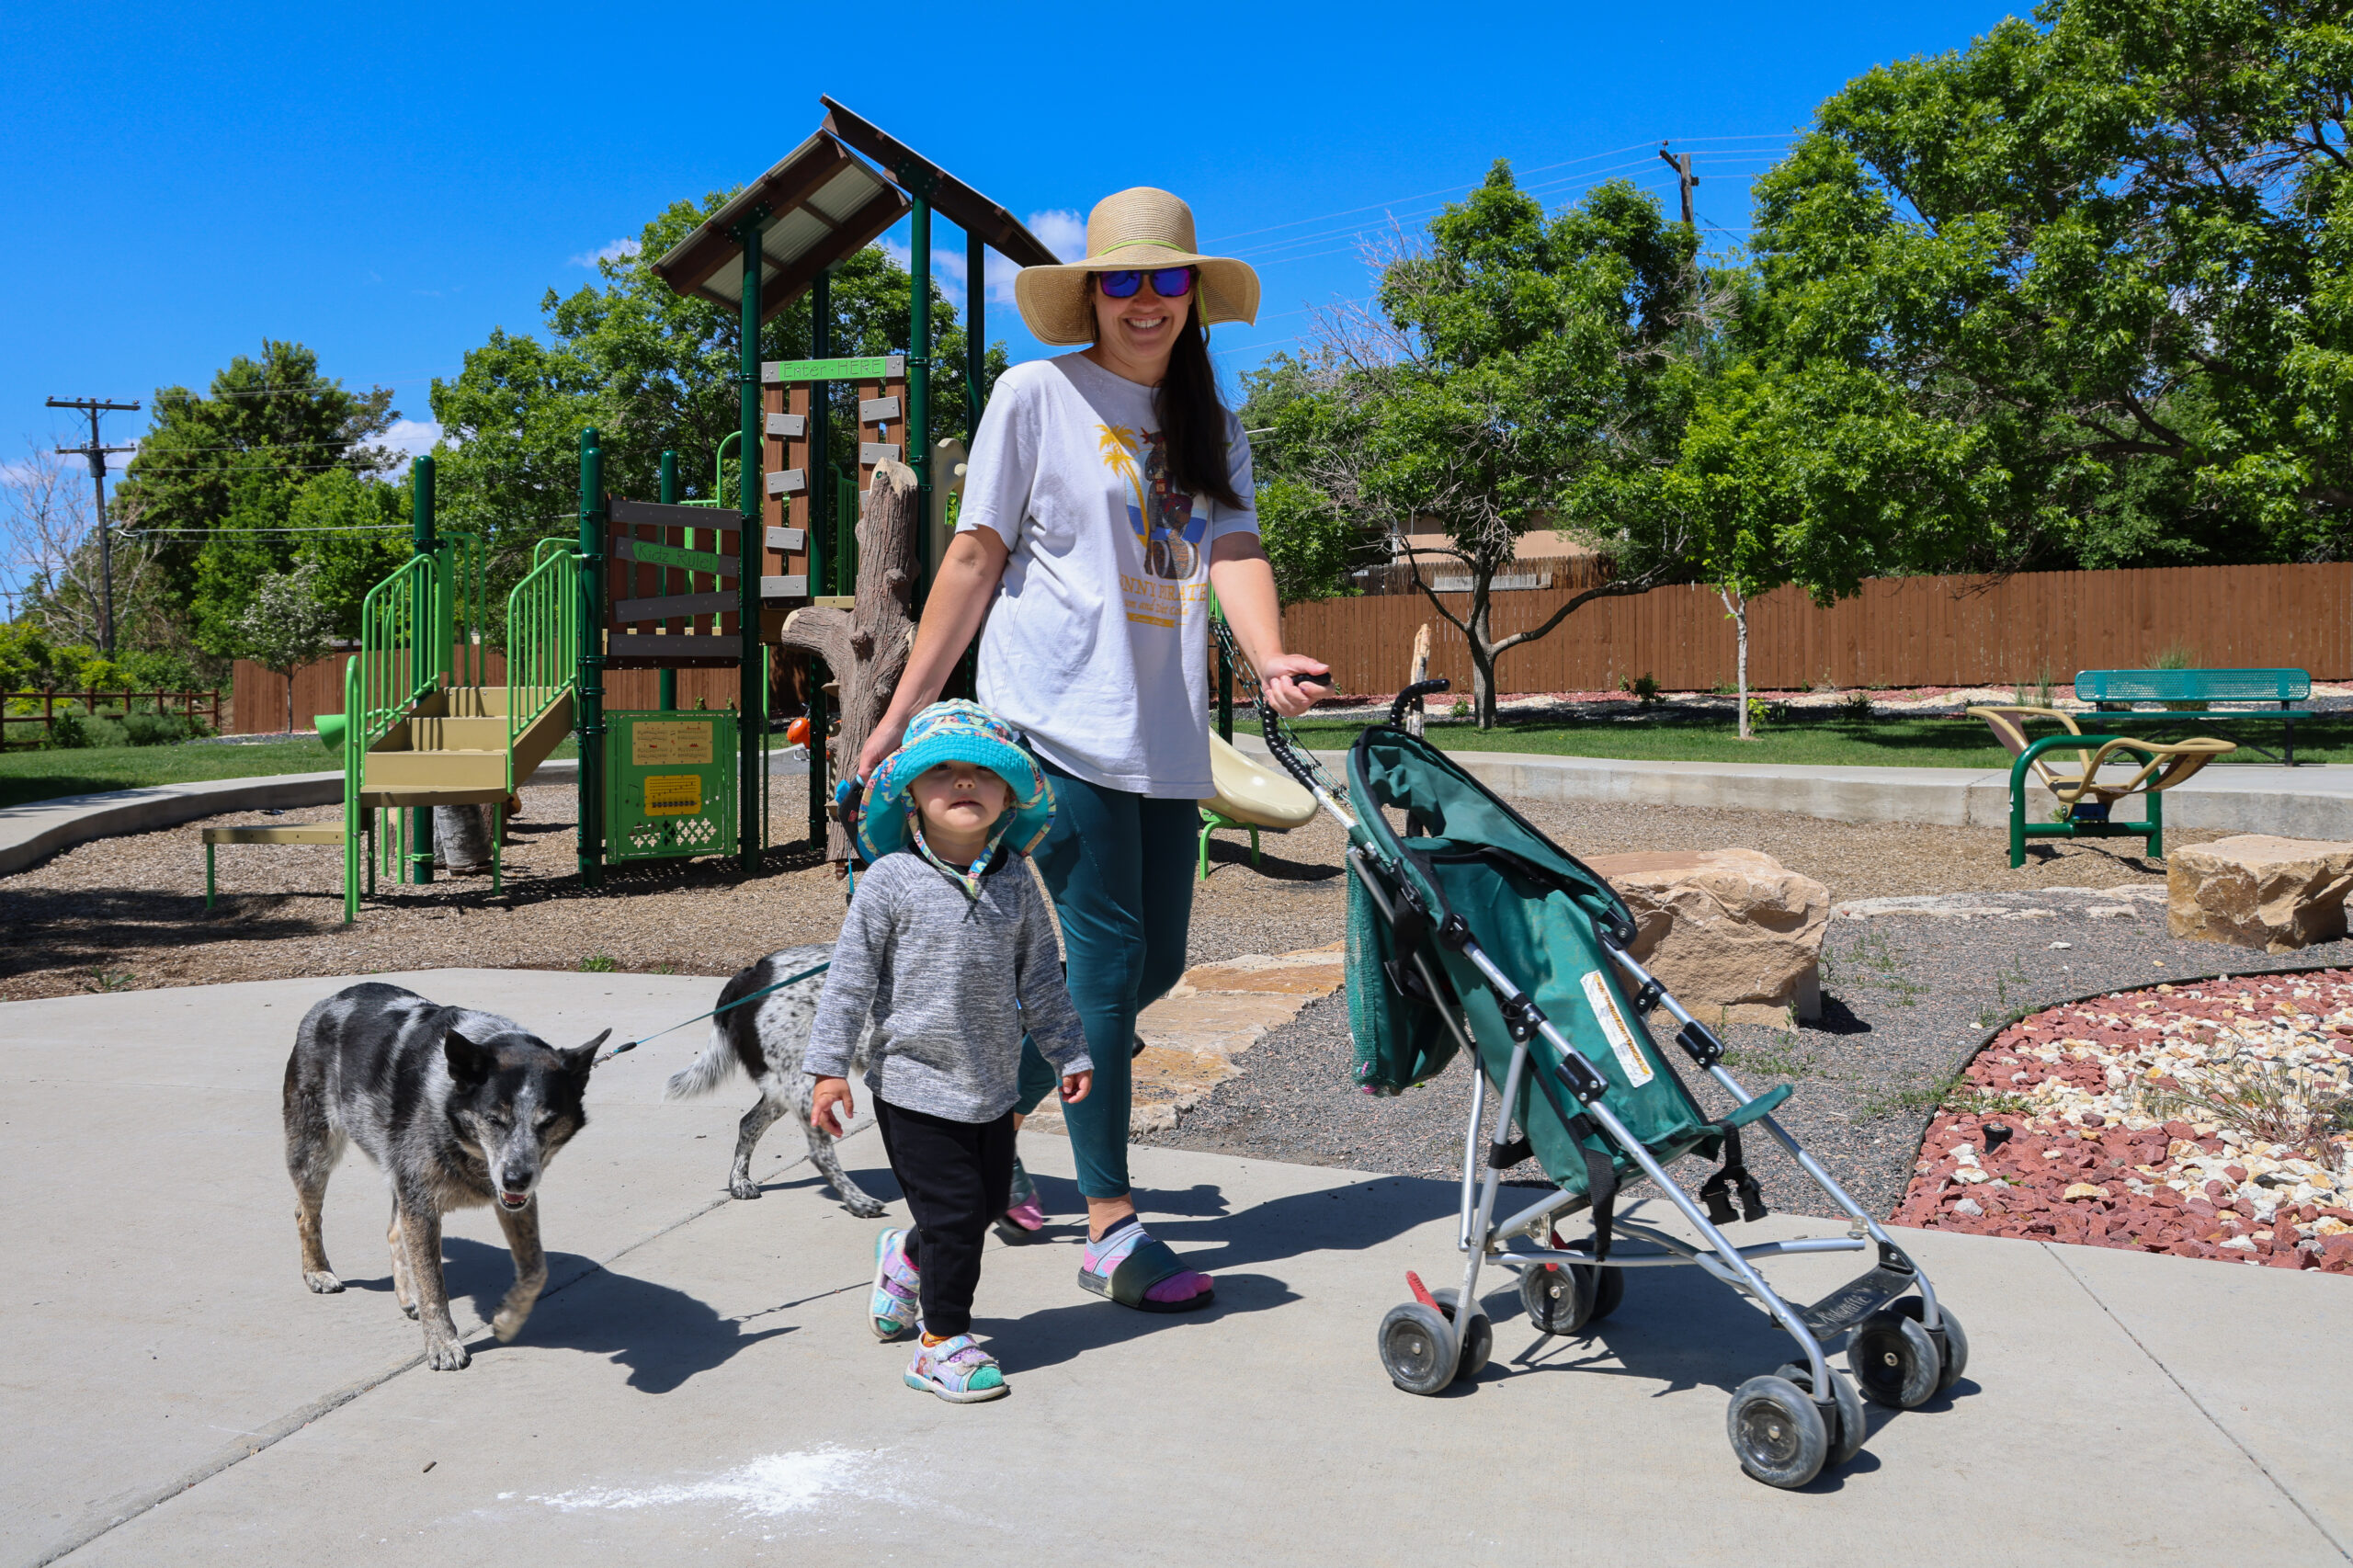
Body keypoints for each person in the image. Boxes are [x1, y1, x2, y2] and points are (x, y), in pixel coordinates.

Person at [858, 187, 1329, 1313]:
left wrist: (1267, 660)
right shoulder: (1036, 395)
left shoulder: (1212, 421)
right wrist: (900, 714)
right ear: (1091, 295)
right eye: (1123, 280)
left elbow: (1236, 551)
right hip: (1051, 725)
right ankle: (1112, 1225)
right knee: (1110, 972)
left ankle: (956, 1169)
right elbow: (972, 560)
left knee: (1151, 966)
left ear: (1192, 295)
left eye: (1168, 280)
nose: (1146, 300)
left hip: (1163, 735)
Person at [806, 700, 1094, 1403]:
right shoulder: (889, 881)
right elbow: (848, 984)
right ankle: (941, 1344)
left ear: (1007, 799)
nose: (962, 783)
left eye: (981, 774)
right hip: (913, 1085)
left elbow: (1043, 981)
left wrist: (1069, 1053)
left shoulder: (1016, 882)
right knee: (959, 1217)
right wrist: (827, 1070)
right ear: (910, 794)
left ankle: (906, 1260)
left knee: (987, 1201)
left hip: (991, 1083)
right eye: (942, 772)